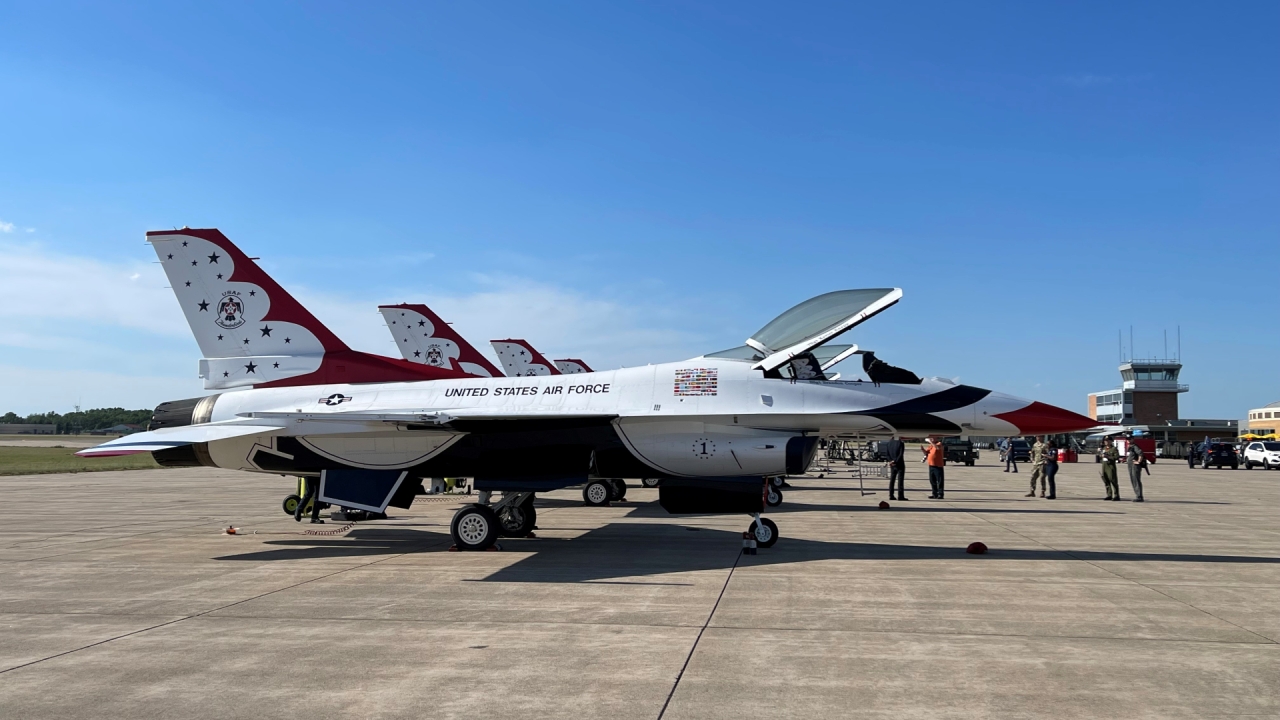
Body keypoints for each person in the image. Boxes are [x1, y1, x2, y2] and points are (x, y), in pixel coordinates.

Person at [884, 436, 907, 500]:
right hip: (899, 463)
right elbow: (900, 454)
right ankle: (900, 495)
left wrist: (891, 461)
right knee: (900, 480)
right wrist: (895, 461)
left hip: (892, 464)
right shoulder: (900, 443)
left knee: (892, 480)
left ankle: (891, 495)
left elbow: (887, 454)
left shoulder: (889, 443)